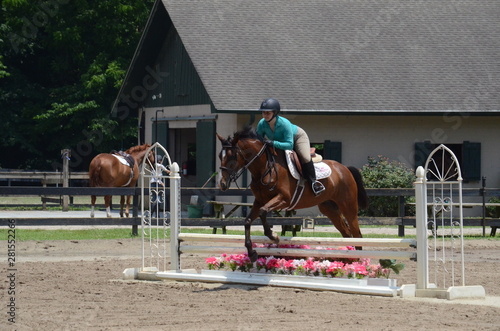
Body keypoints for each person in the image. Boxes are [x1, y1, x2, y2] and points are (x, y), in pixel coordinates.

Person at [256, 98, 325, 195]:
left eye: (268, 113)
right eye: (263, 113)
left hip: (297, 137)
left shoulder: (284, 123)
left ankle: (314, 183)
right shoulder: (261, 123)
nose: (265, 115)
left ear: (275, 113)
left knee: (304, 156)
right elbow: (258, 138)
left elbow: (289, 145)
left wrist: (273, 143)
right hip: (279, 141)